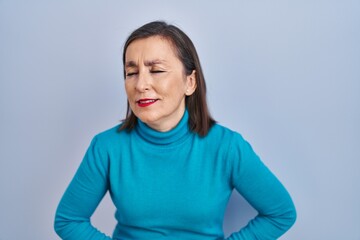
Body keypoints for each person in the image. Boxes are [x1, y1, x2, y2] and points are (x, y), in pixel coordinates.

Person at [54, 21, 296, 240]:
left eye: (156, 70)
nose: (140, 84)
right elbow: (68, 220)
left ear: (190, 82)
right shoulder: (106, 147)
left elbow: (280, 213)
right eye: (131, 73)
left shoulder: (227, 147)